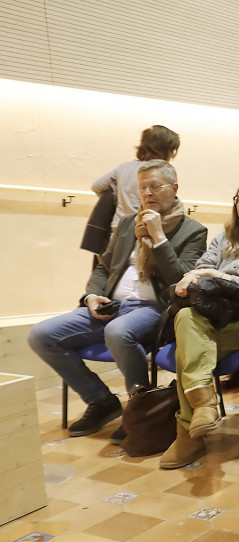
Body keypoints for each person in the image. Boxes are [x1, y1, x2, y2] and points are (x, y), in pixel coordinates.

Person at [30, 160, 207, 439]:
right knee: (41, 335)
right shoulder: (127, 224)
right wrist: (91, 296)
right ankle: (101, 401)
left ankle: (138, 409)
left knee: (118, 331)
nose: (147, 193)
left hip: (154, 308)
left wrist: (159, 237)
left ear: (174, 188)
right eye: (142, 187)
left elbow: (180, 281)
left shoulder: (193, 231)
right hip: (112, 306)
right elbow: (103, 267)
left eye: (154, 186)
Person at [158, 179, 239, 469]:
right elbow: (200, 269)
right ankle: (203, 406)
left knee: (187, 346)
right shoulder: (224, 240)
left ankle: (189, 429)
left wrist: (218, 276)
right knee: (185, 317)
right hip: (210, 316)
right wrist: (196, 276)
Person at [91, 125, 181, 225]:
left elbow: (97, 186)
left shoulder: (124, 167)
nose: (172, 155)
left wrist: (119, 202)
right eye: (172, 150)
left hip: (119, 225)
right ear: (163, 149)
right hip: (144, 225)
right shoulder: (159, 173)